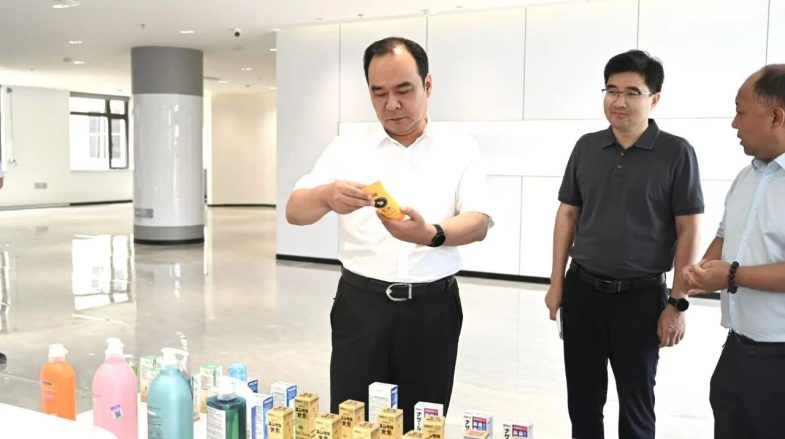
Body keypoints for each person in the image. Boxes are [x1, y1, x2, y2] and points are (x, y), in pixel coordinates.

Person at [285, 36, 492, 431]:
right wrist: (326, 196)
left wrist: (430, 234)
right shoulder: (349, 144)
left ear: (427, 85)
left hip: (432, 309)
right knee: (353, 420)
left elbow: (478, 221)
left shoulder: (459, 147)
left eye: (403, 90)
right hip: (361, 306)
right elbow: (295, 211)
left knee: (423, 422)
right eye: (378, 93)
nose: (391, 104)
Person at [545, 50, 704, 439]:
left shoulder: (676, 153)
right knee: (583, 402)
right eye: (612, 90)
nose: (619, 101)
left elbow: (689, 230)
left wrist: (678, 303)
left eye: (633, 92)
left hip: (641, 299)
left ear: (655, 99)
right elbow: (568, 216)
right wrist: (556, 283)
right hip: (583, 291)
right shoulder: (586, 147)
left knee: (636, 404)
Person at [683, 64, 785, 439]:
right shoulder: (747, 177)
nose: (734, 124)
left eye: (741, 112)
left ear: (776, 117)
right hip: (738, 350)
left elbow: (733, 268)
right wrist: (702, 271)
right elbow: (726, 236)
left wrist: (730, 275)